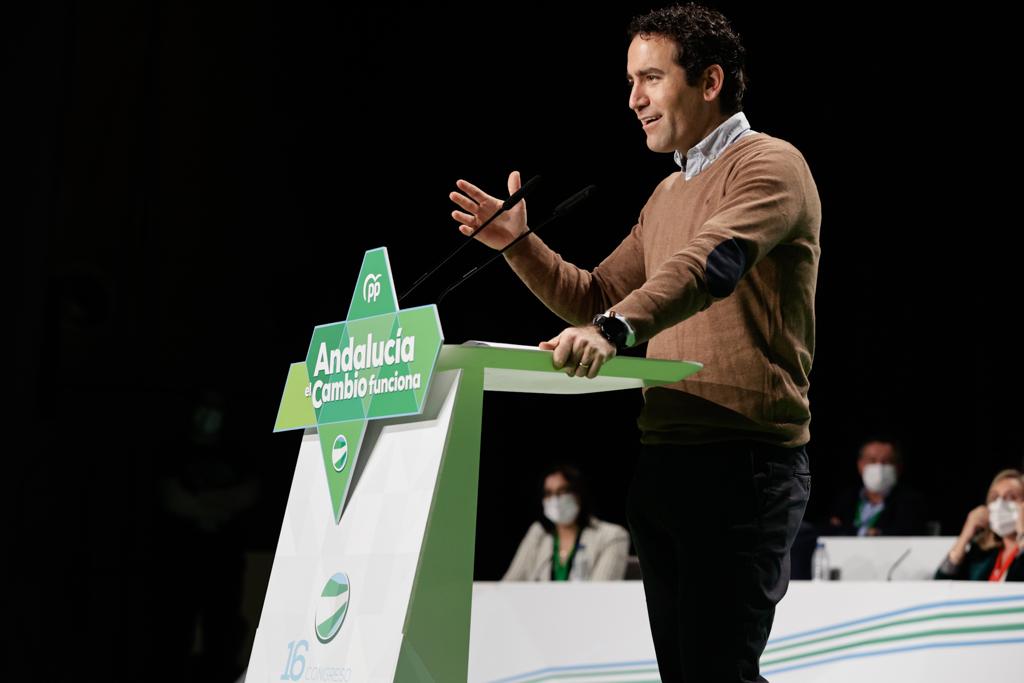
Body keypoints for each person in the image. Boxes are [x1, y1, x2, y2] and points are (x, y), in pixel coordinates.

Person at [449, 4, 821, 681]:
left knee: (719, 671)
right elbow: (594, 296)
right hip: (665, 459)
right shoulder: (665, 194)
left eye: (650, 78)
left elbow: (706, 266)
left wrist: (613, 331)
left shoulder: (770, 166)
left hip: (745, 465)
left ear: (709, 82)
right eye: (630, 81)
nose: (634, 99)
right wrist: (521, 248)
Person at [503, 464, 630, 581]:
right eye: (549, 493)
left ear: (579, 494)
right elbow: (508, 586)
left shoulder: (612, 536)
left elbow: (601, 592)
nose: (555, 499)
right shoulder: (538, 534)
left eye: (562, 491)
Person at [828, 437, 929, 536]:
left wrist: (852, 531)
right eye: (872, 461)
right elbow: (826, 529)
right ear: (860, 465)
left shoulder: (911, 502)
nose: (879, 467)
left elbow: (904, 532)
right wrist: (867, 533)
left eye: (887, 461)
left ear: (898, 467)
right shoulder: (845, 499)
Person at [935, 469, 1024, 582]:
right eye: (994, 498)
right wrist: (964, 536)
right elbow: (941, 583)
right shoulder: (982, 554)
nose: (1000, 504)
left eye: (1011, 497)